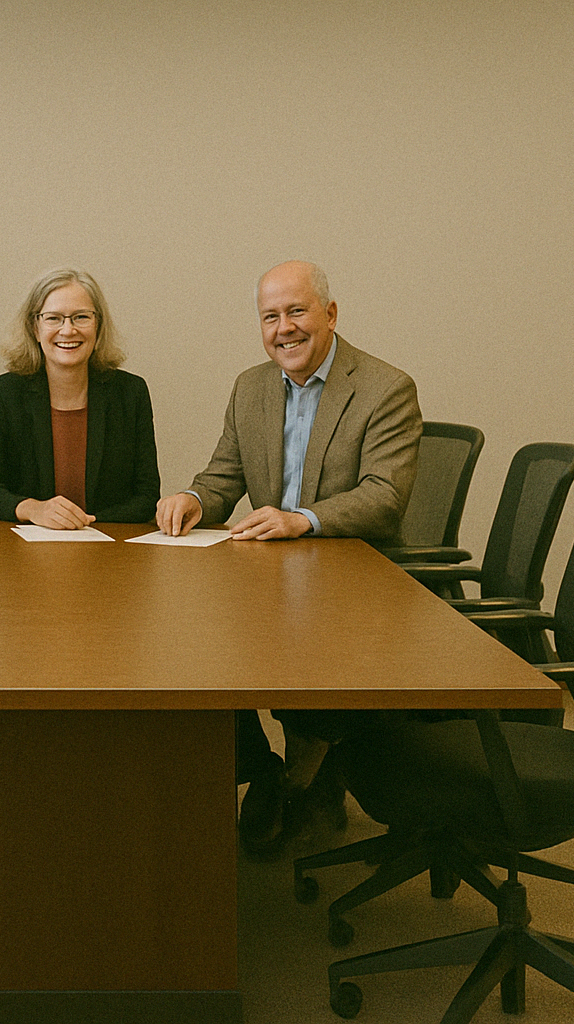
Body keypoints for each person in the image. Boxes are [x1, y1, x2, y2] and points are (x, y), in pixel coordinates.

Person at [155, 259, 422, 856]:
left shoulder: (385, 387)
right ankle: (260, 769)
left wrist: (301, 518)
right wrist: (194, 498)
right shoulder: (251, 386)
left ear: (330, 314)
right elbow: (224, 473)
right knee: (196, 643)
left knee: (305, 648)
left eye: (296, 311)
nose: (285, 329)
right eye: (270, 317)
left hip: (355, 581)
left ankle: (303, 777)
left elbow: (385, 496)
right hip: (271, 576)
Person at [0, 267, 159, 527]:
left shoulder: (130, 393)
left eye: (80, 317)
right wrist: (33, 509)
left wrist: (86, 523)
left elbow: (146, 497)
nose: (68, 330)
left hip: (111, 552)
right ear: (35, 328)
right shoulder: (4, 394)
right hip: (24, 555)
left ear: (98, 325)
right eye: (53, 318)